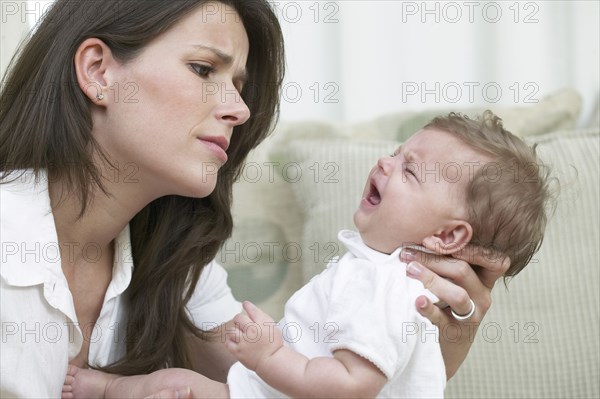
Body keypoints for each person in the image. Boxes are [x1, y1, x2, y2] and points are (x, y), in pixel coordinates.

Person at [0, 0, 510, 397]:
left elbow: (292, 386)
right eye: (204, 70)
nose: (240, 110)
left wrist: (441, 340)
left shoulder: (177, 267)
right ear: (98, 71)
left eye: (240, 86)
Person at [61, 111, 553, 398]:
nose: (385, 161)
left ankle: (97, 387)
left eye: (411, 171)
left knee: (173, 385)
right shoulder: (385, 280)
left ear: (447, 237)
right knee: (177, 385)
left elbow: (354, 383)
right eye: (398, 152)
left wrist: (270, 353)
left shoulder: (382, 283)